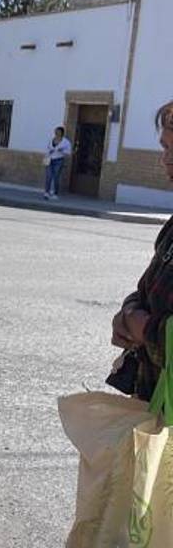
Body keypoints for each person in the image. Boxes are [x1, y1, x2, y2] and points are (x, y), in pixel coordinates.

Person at [111, 101, 173, 401]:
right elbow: (148, 287)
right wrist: (127, 313)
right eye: (165, 148)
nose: (167, 159)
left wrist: (145, 329)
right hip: (155, 403)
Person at [43, 125, 72, 200]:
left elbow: (68, 152)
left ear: (61, 133)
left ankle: (55, 193)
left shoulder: (66, 142)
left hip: (59, 160)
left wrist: (61, 151)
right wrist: (49, 152)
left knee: (56, 177)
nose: (56, 133)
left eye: (58, 131)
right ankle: (47, 192)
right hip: (50, 159)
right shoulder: (51, 139)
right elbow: (47, 148)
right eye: (56, 131)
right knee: (48, 176)